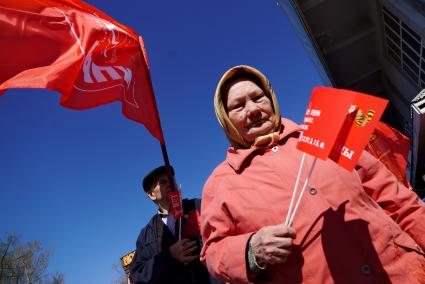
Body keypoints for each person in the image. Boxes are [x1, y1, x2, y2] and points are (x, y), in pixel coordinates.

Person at [200, 65, 425, 283]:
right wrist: (251, 250)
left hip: (403, 274)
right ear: (225, 118)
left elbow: (399, 201)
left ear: (271, 99)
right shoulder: (220, 182)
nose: (253, 110)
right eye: (238, 106)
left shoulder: (325, 136)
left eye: (258, 97)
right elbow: (213, 252)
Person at [129, 165, 213, 284]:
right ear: (151, 194)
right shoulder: (146, 235)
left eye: (171, 180)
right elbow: (137, 274)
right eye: (163, 182)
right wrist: (170, 256)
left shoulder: (198, 206)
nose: (170, 183)